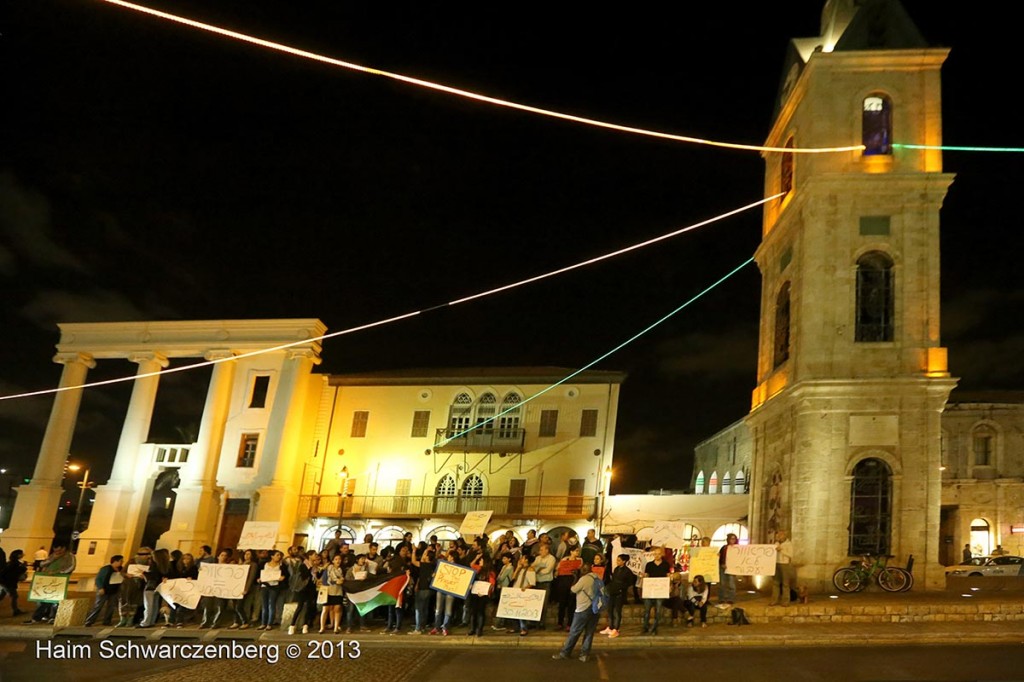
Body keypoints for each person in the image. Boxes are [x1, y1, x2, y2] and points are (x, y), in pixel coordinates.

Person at [552, 563, 602, 663]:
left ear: (583, 570)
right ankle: (584, 655)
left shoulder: (584, 579)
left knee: (574, 632)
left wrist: (575, 578)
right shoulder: (598, 578)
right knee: (589, 633)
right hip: (596, 609)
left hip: (583, 609)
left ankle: (565, 653)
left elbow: (573, 590)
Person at [26, 545, 76, 623]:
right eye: (55, 550)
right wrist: (52, 559)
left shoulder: (70, 556)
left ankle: (50, 617)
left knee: (54, 601)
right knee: (44, 600)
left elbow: (71, 567)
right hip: (47, 580)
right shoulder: (53, 555)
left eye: (59, 551)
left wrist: (58, 572)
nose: (57, 552)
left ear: (64, 548)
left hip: (59, 580)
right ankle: (43, 616)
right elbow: (42, 564)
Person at [139, 548, 176, 627]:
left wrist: (144, 573)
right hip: (160, 588)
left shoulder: (154, 566)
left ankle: (145, 622)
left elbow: (152, 577)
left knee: (148, 605)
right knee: (155, 605)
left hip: (151, 587)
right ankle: (152, 621)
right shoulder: (167, 566)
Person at [601, 553, 635, 638]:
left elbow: (630, 582)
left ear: (624, 561)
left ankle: (616, 628)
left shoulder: (627, 571)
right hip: (613, 591)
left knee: (617, 611)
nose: (617, 561)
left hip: (620, 593)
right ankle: (611, 626)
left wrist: (622, 587)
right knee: (610, 610)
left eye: (619, 560)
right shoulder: (616, 569)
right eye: (617, 560)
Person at [84, 555, 124, 626]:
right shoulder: (106, 569)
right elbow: (99, 579)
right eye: (121, 561)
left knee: (111, 606)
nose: (122, 562)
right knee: (98, 606)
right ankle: (89, 621)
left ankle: (107, 621)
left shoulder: (120, 569)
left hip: (114, 590)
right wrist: (100, 588)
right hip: (104, 589)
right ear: (115, 561)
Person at [641, 546, 670, 635]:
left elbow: (668, 576)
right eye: (655, 554)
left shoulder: (666, 564)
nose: (656, 556)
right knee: (647, 610)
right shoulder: (649, 565)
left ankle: (654, 628)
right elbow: (646, 575)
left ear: (661, 555)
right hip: (650, 590)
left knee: (658, 610)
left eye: (658, 554)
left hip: (660, 590)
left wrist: (669, 586)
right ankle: (645, 627)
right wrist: (643, 579)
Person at [257, 550, 288, 630]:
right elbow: (258, 574)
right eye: (277, 555)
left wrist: (282, 578)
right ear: (272, 556)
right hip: (265, 586)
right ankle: (263, 623)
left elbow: (286, 575)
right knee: (264, 605)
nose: (279, 557)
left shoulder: (281, 565)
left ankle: (269, 624)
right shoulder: (264, 564)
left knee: (272, 604)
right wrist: (259, 579)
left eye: (280, 555)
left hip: (275, 586)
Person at [508, 554, 536, 637]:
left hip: (523, 592)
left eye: (523, 558)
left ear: (527, 560)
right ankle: (515, 627)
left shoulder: (530, 569)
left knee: (521, 612)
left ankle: (523, 628)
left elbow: (532, 582)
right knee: (514, 610)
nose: (521, 559)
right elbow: (513, 578)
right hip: (515, 590)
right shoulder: (520, 569)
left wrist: (525, 587)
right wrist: (517, 568)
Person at [532, 542, 556, 629]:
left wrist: (538, 570)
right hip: (537, 583)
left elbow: (547, 570)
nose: (540, 551)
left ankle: (542, 623)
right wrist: (539, 569)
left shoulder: (551, 559)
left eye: (542, 550)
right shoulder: (537, 558)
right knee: (535, 603)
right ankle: (534, 622)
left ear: (547, 550)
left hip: (546, 583)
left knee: (544, 604)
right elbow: (532, 567)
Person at [320, 553, 345, 634]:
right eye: (336, 559)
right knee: (325, 609)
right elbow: (327, 580)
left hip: (338, 591)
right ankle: (322, 627)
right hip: (328, 590)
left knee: (337, 608)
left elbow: (342, 579)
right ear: (333, 560)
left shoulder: (341, 570)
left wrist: (341, 580)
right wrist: (336, 581)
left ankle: (336, 627)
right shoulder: (329, 568)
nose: (338, 561)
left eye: (339, 559)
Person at [770, 530, 795, 606]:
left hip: (785, 564)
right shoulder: (776, 544)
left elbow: (791, 555)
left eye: (780, 536)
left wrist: (781, 550)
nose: (778, 537)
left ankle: (785, 601)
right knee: (775, 583)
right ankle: (774, 600)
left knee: (785, 584)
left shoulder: (789, 544)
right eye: (778, 536)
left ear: (784, 536)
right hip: (776, 564)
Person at [0, 549, 28, 617]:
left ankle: (16, 610)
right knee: (14, 596)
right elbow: (18, 571)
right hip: (8, 582)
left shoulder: (11, 562)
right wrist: (24, 566)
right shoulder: (15, 563)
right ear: (18, 555)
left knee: (2, 595)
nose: (23, 555)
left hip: (5, 581)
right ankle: (16, 610)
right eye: (21, 553)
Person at [718, 533, 739, 604]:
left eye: (734, 539)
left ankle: (731, 599)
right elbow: (720, 557)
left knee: (731, 584)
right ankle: (722, 598)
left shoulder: (738, 548)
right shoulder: (724, 547)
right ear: (728, 540)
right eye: (731, 538)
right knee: (722, 584)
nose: (732, 540)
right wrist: (722, 563)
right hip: (723, 567)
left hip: (732, 568)